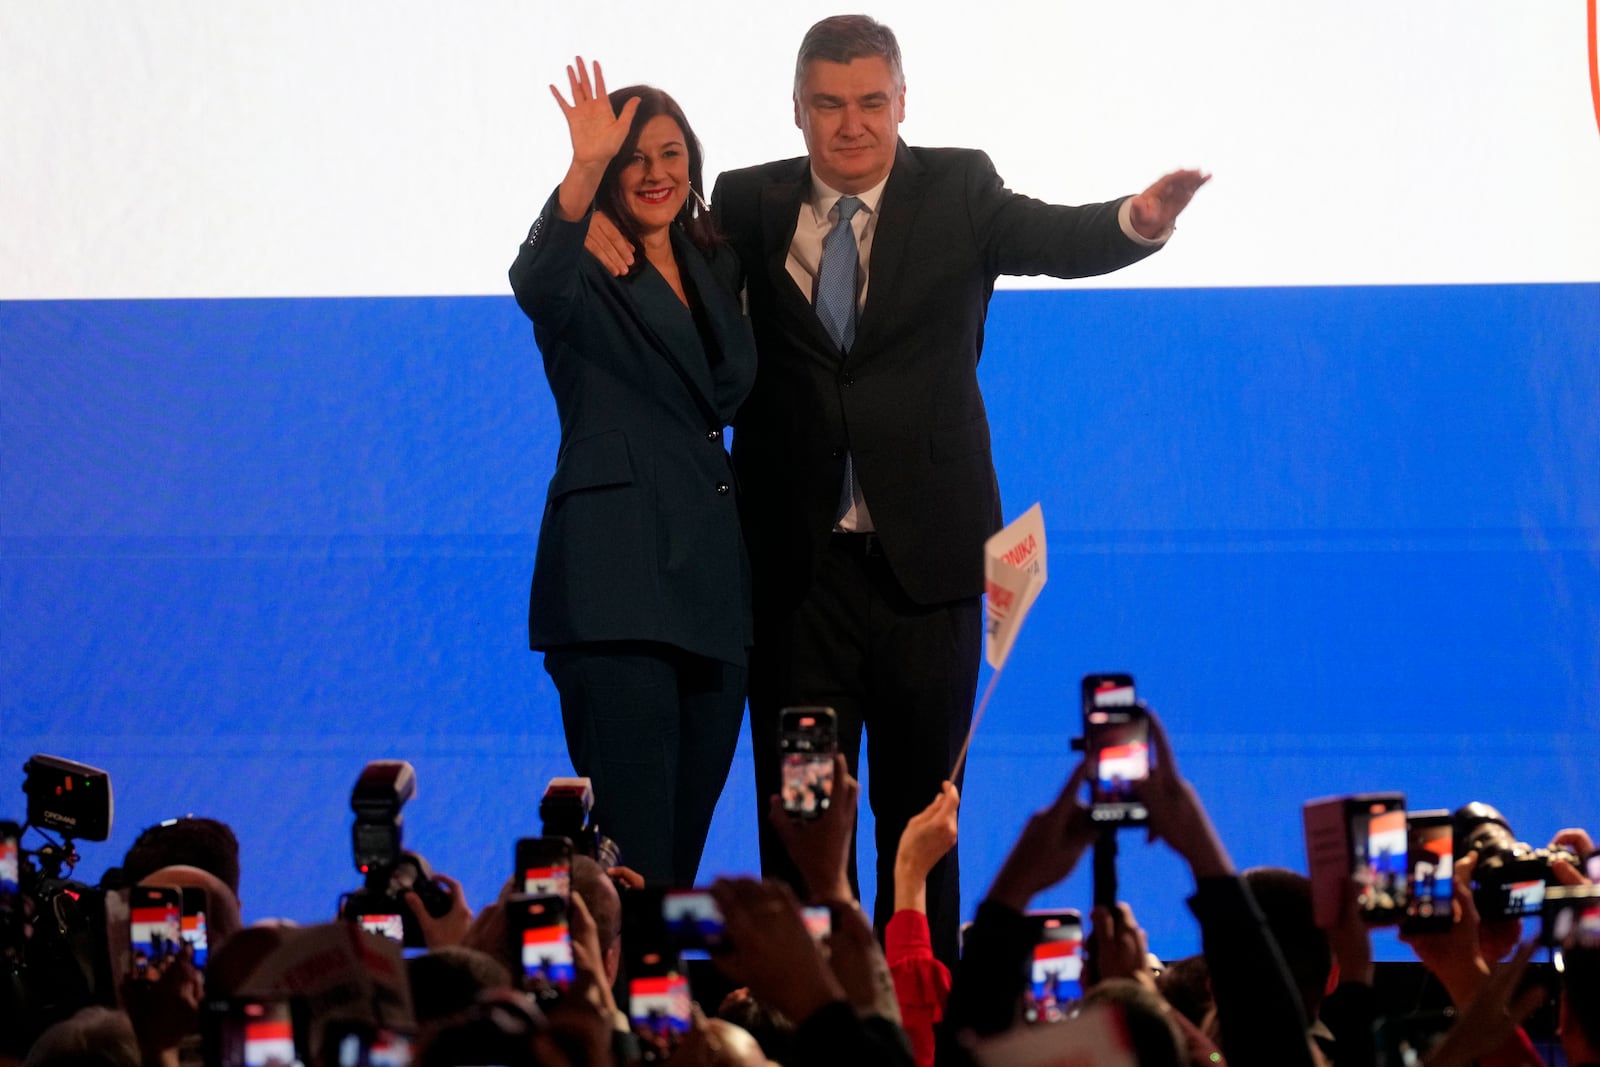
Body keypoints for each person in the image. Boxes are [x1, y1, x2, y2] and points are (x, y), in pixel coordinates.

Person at [589, 14, 1208, 960]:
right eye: (830, 105)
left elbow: (1053, 235)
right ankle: (805, 1024)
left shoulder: (960, 187)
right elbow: (665, 240)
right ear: (796, 109)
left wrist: (1140, 220)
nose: (852, 125)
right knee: (800, 828)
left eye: (872, 102)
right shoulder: (749, 204)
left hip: (931, 575)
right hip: (795, 580)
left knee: (920, 824)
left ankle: (922, 1017)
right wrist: (590, 218)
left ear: (902, 103)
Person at [508, 59, 758, 886]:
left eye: (670, 153)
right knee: (634, 857)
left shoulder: (715, 265)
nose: (655, 174)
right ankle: (616, 1009)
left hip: (712, 591)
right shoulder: (581, 261)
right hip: (617, 586)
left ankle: (651, 1004)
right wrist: (580, 177)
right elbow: (532, 280)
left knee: (676, 861)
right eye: (632, 159)